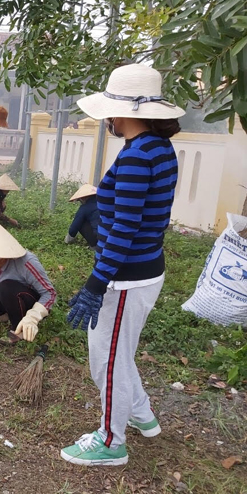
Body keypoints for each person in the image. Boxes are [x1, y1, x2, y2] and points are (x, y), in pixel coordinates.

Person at [60, 64, 183, 467]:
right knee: (120, 351)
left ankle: (112, 441)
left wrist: (96, 285)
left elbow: (125, 230)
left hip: (127, 277)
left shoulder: (136, 156)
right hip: (144, 268)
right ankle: (142, 415)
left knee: (106, 359)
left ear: (122, 111)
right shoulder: (156, 148)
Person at [65, 184, 99, 248]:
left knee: (81, 221)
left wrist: (67, 241)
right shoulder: (105, 203)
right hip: (113, 238)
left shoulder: (85, 208)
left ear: (84, 198)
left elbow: (73, 228)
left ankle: (95, 247)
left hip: (99, 240)